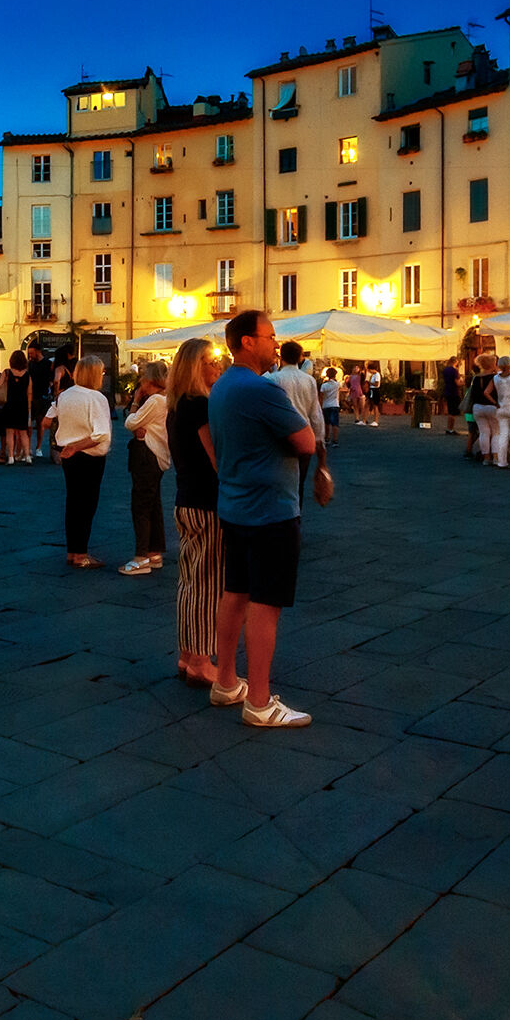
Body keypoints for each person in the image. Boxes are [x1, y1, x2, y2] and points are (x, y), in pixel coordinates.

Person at [209, 309, 318, 728]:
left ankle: (224, 681)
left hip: (234, 505)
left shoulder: (221, 387)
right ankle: (258, 700)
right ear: (247, 341)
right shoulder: (262, 390)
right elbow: (305, 441)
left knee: (235, 592)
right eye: (270, 335)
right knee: (265, 604)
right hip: (270, 510)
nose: (276, 342)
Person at [167, 339, 223, 684]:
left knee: (189, 581)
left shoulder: (176, 406)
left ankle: (188, 654)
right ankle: (202, 660)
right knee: (208, 583)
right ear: (194, 366)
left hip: (185, 499)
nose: (217, 366)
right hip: (208, 502)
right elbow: (216, 456)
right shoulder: (200, 405)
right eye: (210, 360)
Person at [54, 359, 113, 567]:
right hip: (88, 455)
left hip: (69, 455)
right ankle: (81, 554)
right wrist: (78, 446)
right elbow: (101, 433)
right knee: (87, 505)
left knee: (73, 503)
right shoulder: (96, 398)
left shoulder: (66, 395)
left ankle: (73, 550)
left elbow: (53, 413)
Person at [120, 361, 170, 575]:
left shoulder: (154, 401)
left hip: (147, 455)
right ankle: (154, 551)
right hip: (158, 456)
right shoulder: (166, 399)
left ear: (150, 380)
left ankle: (141, 557)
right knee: (154, 504)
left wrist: (135, 404)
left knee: (140, 505)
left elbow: (130, 423)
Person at [270, 342, 331, 506]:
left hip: (279, 438)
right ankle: (296, 516)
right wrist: (320, 442)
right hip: (304, 437)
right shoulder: (309, 380)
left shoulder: (271, 379)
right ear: (300, 357)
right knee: (299, 484)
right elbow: (315, 414)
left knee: (278, 484)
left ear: (281, 356)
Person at [0, 350, 35, 464]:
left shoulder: (7, 373)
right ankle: (27, 456)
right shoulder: (27, 375)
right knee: (23, 432)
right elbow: (29, 393)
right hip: (22, 405)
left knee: (10, 432)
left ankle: (10, 457)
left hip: (9, 404)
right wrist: (29, 408)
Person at [439, 357, 463, 436]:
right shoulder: (454, 371)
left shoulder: (445, 370)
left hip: (448, 391)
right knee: (453, 412)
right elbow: (457, 383)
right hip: (454, 391)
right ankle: (451, 429)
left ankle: (449, 428)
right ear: (455, 362)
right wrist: (463, 383)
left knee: (450, 411)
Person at [319, 367, 342, 446]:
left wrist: (320, 406)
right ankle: (335, 440)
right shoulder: (337, 384)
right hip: (335, 404)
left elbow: (321, 397)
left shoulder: (324, 385)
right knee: (335, 423)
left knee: (326, 423)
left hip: (326, 405)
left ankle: (327, 438)